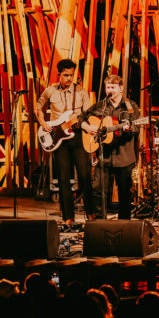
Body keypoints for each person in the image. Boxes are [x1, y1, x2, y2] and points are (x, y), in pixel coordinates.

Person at [35, 59, 94, 225]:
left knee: (84, 176)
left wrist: (84, 122)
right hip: (58, 139)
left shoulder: (81, 92)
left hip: (77, 136)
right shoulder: (50, 91)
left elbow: (88, 114)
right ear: (59, 74)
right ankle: (68, 218)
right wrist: (43, 123)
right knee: (63, 178)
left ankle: (91, 214)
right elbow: (38, 107)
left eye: (71, 75)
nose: (69, 78)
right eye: (66, 75)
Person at [85, 74, 141, 220]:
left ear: (121, 88)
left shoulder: (130, 106)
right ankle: (100, 221)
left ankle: (124, 223)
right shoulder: (101, 105)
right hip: (104, 155)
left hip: (124, 156)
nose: (110, 90)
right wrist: (87, 127)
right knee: (99, 190)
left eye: (113, 87)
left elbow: (137, 127)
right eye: (108, 87)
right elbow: (81, 118)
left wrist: (130, 128)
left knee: (124, 192)